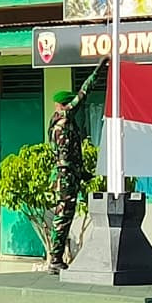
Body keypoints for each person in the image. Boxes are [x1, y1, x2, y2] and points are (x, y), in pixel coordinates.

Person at [46, 57, 110, 273]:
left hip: (69, 175)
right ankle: (55, 259)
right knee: (62, 217)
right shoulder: (63, 119)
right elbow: (84, 94)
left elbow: (71, 154)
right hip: (65, 177)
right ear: (64, 105)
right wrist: (99, 70)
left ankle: (56, 258)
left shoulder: (63, 122)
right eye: (71, 103)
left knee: (65, 215)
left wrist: (83, 173)